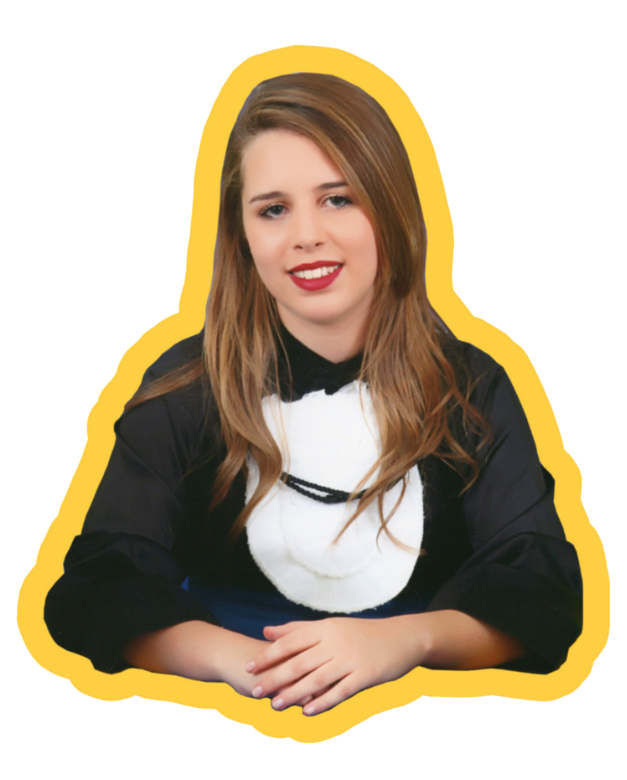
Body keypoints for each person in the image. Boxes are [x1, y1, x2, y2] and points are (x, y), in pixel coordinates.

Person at [44, 73, 583, 716]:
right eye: (273, 209)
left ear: (391, 208)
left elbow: (544, 594)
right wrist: (249, 663)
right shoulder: (184, 386)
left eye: (338, 199)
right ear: (241, 233)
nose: (306, 235)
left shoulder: (470, 388)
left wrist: (404, 640)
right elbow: (97, 589)